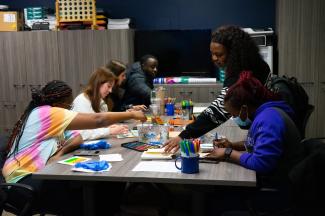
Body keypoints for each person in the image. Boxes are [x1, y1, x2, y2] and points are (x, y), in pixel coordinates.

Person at [2, 80, 146, 215]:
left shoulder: (54, 117)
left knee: (102, 186)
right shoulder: (47, 113)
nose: (70, 110)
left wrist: (61, 152)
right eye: (68, 106)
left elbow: (77, 137)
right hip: (22, 183)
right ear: (59, 103)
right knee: (87, 196)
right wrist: (131, 114)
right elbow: (99, 120)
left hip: (37, 174)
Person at [164, 25, 271, 153]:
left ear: (234, 53)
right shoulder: (258, 65)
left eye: (219, 54)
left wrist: (184, 135)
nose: (214, 58)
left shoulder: (240, 76)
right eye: (212, 53)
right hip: (259, 134)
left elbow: (218, 111)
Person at [207, 71, 304, 185]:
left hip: (279, 184)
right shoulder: (265, 113)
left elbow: (261, 163)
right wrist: (232, 145)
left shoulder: (269, 119)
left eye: (234, 115)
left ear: (244, 108)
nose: (234, 118)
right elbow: (258, 144)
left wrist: (227, 152)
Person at [73, 67, 129, 140]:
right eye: (108, 86)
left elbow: (96, 126)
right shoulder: (81, 101)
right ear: (98, 83)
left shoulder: (100, 101)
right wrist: (109, 130)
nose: (110, 91)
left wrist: (109, 127)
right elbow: (83, 134)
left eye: (111, 87)